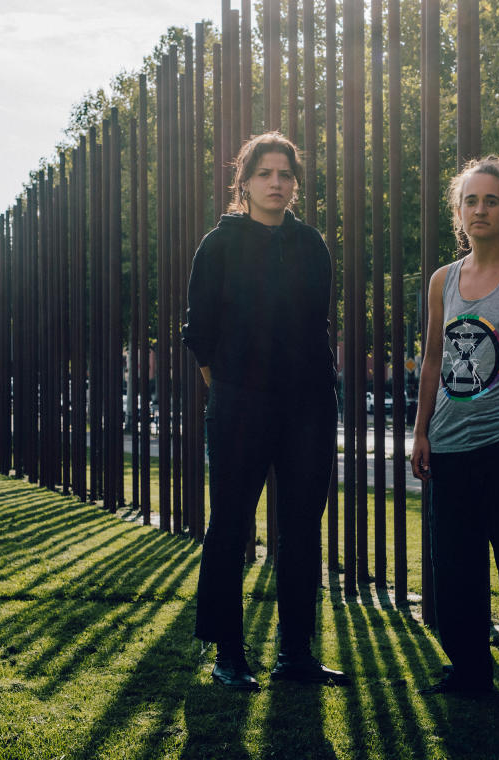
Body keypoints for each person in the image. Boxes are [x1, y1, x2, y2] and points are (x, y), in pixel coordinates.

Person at [182, 132, 348, 691]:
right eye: (265, 174)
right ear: (245, 182)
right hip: (241, 404)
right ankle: (229, 653)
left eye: (286, 174)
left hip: (309, 404)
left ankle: (295, 654)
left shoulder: (311, 245)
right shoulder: (219, 245)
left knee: (302, 529)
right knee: (231, 524)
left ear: (295, 183)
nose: (277, 183)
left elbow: (316, 325)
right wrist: (230, 388)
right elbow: (198, 334)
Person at [411, 153, 499, 705]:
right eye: (470, 200)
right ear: (458, 210)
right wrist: (421, 432)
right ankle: (469, 670)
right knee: (457, 568)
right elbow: (431, 360)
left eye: (491, 200)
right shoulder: (442, 280)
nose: (480, 209)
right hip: (449, 444)